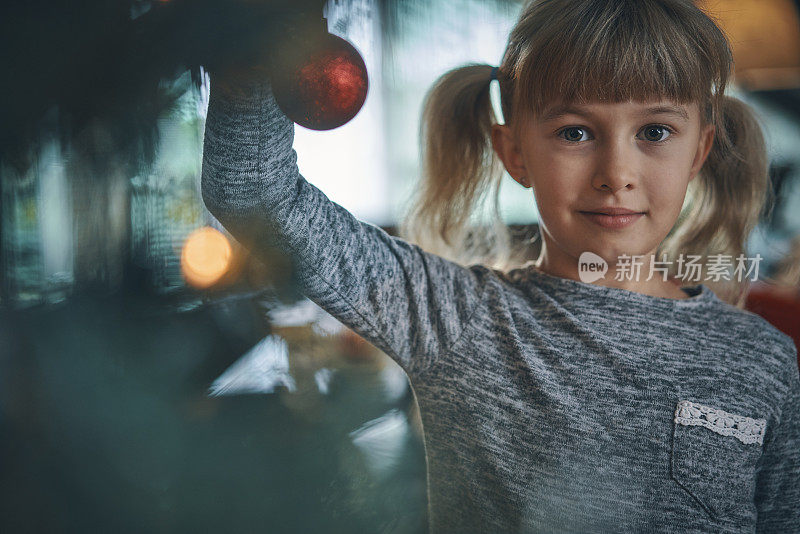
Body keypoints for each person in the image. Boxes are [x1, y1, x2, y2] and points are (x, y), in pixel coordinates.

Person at [200, 0, 800, 532]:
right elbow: (252, 192)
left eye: (656, 130)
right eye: (574, 132)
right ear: (513, 152)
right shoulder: (454, 317)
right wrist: (263, 40)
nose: (617, 173)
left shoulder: (763, 362)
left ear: (699, 151)